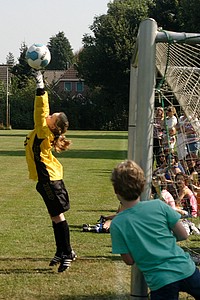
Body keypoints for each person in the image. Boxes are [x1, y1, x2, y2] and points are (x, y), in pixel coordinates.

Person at [110, 160, 200, 300]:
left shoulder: (117, 224)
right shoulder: (159, 205)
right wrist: (162, 238)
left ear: (116, 190)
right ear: (142, 187)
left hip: (161, 280)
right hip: (186, 269)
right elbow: (183, 235)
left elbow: (129, 260)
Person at [24, 71, 76, 272]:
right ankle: (61, 250)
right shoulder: (43, 131)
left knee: (58, 217)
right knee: (54, 216)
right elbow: (43, 112)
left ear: (53, 124)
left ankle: (68, 252)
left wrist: (40, 86)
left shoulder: (44, 130)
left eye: (52, 116)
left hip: (50, 180)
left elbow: (40, 108)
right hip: (46, 180)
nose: (48, 114)